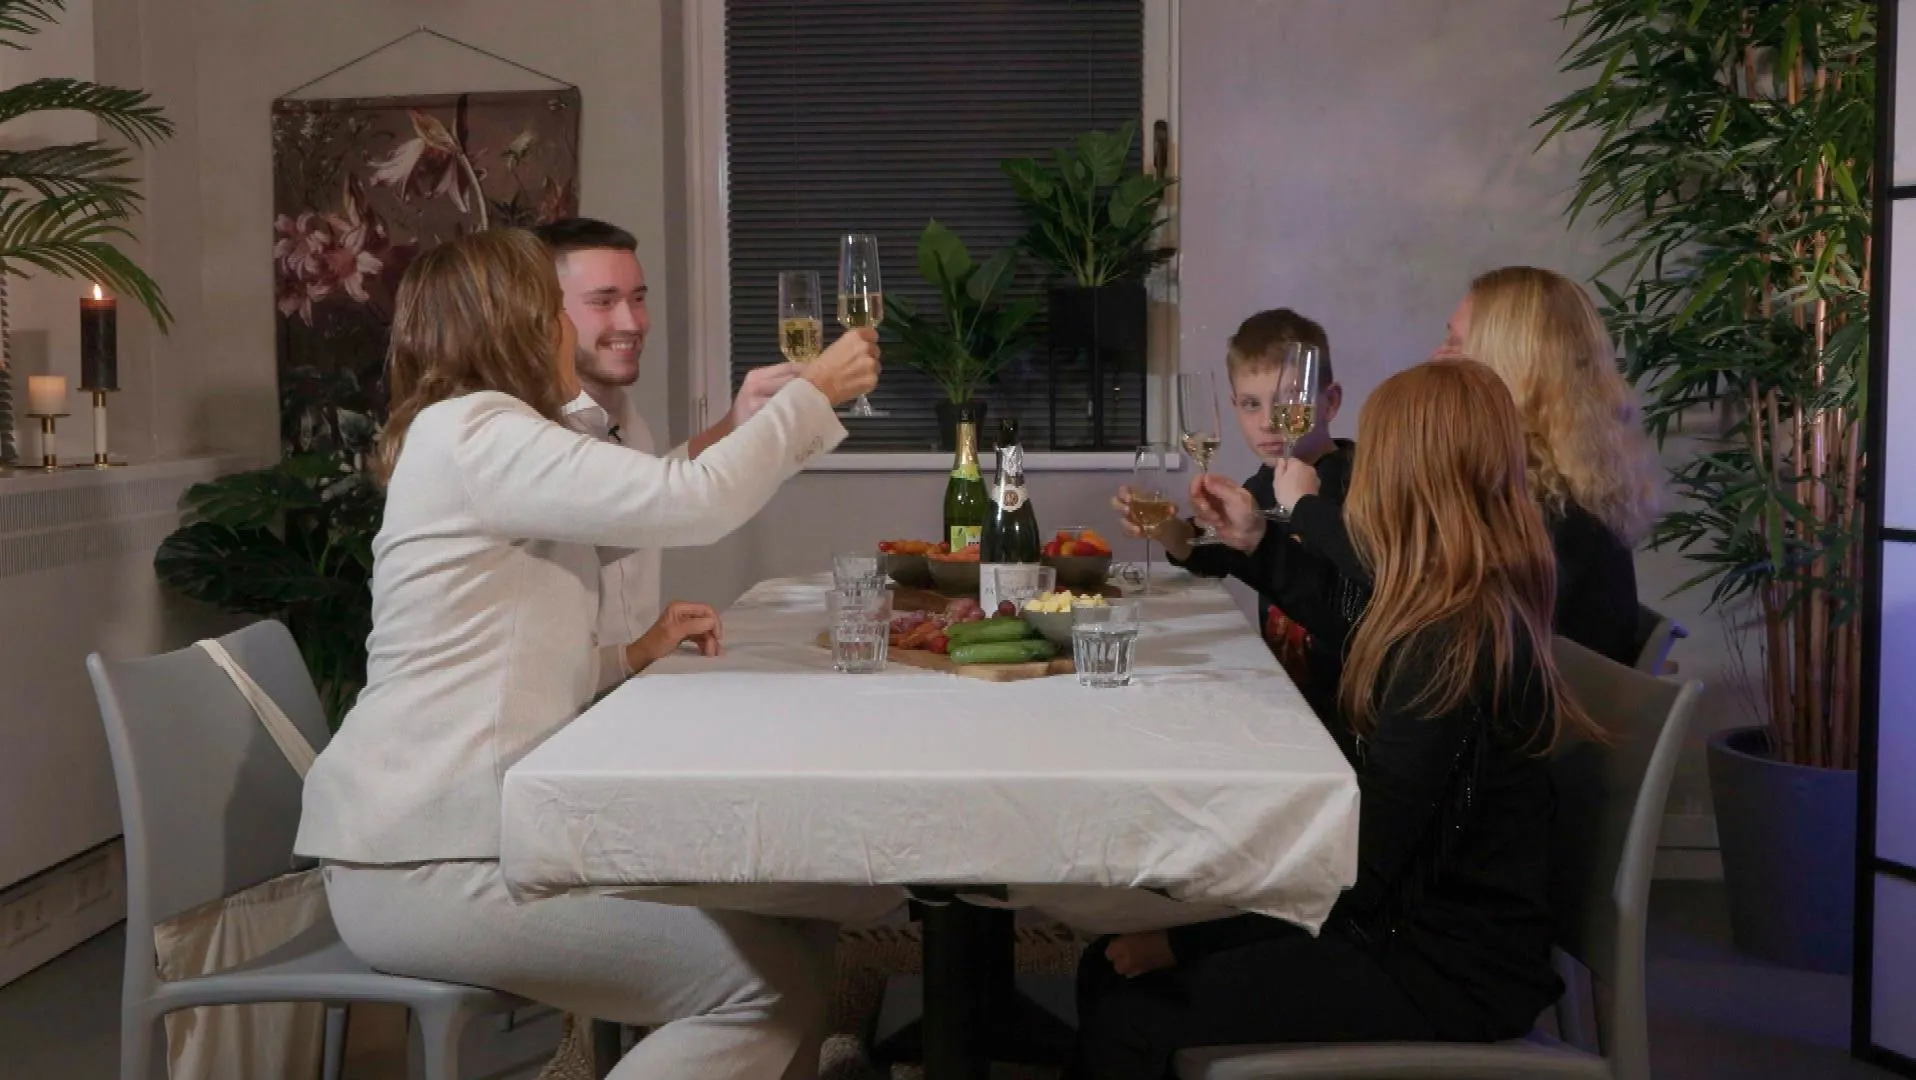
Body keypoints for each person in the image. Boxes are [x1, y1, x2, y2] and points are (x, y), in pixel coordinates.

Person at [296, 228, 881, 1080]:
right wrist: (816, 391)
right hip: (427, 864)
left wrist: (630, 654)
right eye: (557, 310)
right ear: (520, 324)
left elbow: (506, 650)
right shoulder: (478, 432)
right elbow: (690, 502)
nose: (570, 329)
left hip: (467, 839)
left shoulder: (477, 433)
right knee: (763, 985)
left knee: (799, 915)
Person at [1073, 359, 1603, 1079]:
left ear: (1402, 478)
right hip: (1417, 921)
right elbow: (1343, 610)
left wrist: (1189, 940)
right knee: (1108, 970)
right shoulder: (1450, 602)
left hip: (1440, 963)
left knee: (1130, 1010)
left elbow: (1367, 876)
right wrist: (1257, 541)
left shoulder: (1451, 644)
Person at [1203, 266, 1657, 666]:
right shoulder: (1513, 481)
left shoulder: (1547, 517)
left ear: (1514, 366)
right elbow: (1372, 622)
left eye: (1455, 342)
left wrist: (1305, 510)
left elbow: (1412, 617)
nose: (1436, 355)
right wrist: (1259, 543)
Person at [534, 216, 797, 678]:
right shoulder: (530, 432)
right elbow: (666, 508)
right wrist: (816, 400)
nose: (631, 322)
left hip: (628, 682)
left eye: (638, 299)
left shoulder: (626, 416)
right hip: (563, 707)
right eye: (603, 301)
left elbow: (657, 486)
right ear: (544, 314)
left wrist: (736, 423)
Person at [1111, 309, 1355, 723]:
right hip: (1290, 700)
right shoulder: (1262, 485)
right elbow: (1215, 554)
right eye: (1250, 404)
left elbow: (1355, 614)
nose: (1268, 423)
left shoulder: (1362, 485)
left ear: (1329, 402)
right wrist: (1165, 527)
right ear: (1233, 406)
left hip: (1347, 712)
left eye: (1287, 401)